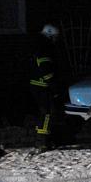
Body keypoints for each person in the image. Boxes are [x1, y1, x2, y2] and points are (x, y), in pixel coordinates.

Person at [29, 24, 61, 152]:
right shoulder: (45, 49)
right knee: (46, 114)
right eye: (54, 37)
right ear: (50, 36)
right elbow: (46, 71)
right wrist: (54, 88)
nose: (56, 40)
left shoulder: (39, 47)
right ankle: (42, 142)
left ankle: (41, 141)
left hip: (37, 85)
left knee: (42, 114)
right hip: (42, 87)